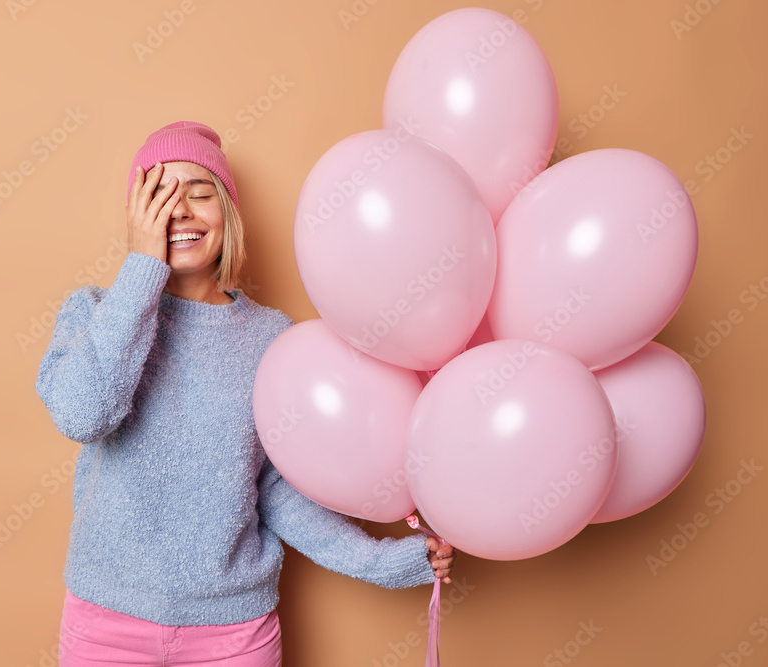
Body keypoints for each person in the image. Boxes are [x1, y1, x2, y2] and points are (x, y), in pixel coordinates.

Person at [35, 121, 454, 666]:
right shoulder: (92, 312)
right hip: (107, 625)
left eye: (200, 193)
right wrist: (142, 270)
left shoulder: (271, 339)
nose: (179, 210)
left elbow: (277, 491)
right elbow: (82, 414)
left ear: (227, 211)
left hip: (233, 633)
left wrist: (380, 561)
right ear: (137, 216)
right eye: (159, 194)